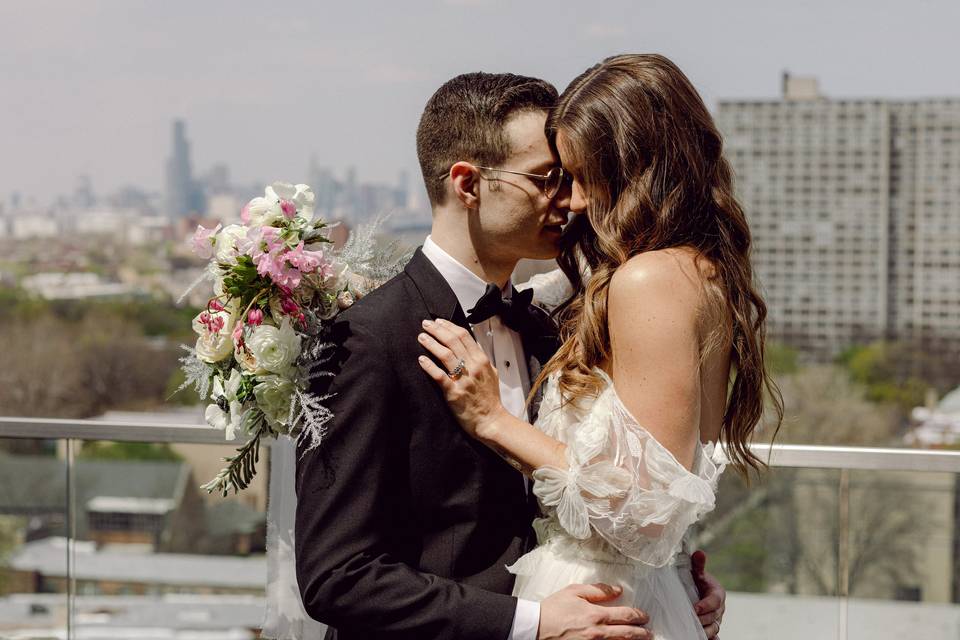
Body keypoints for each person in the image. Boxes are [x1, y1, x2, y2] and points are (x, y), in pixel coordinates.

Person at [295, 70, 727, 640]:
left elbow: (608, 493)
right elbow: (337, 576)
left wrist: (666, 579)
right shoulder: (367, 337)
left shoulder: (557, 321)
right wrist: (529, 621)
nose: (569, 200)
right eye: (547, 178)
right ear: (468, 184)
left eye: (573, 176)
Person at [417, 54, 782, 640]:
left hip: (598, 603)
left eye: (589, 177)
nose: (576, 202)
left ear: (640, 169)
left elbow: (644, 510)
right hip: (636, 593)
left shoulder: (649, 281)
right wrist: (678, 585)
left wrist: (494, 420)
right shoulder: (698, 274)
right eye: (561, 179)